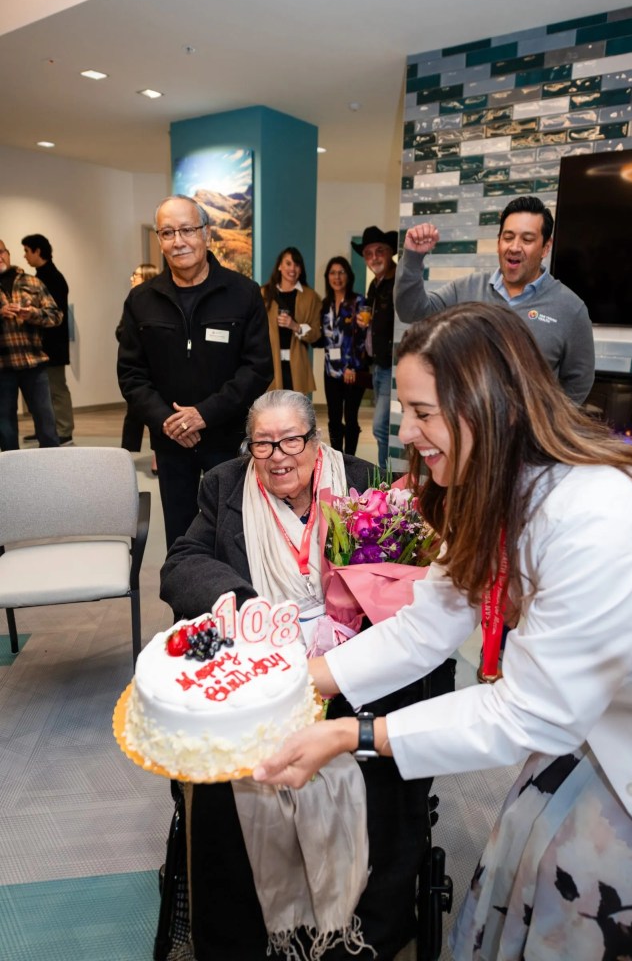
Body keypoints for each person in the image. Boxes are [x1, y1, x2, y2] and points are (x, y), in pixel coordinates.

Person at [255, 305, 632, 960]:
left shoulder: (602, 518)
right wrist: (291, 683)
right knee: (518, 883)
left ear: (491, 404)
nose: (407, 430)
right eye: (406, 409)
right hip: (593, 725)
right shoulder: (496, 488)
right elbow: (423, 628)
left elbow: (533, 711)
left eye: (424, 412)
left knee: (591, 919)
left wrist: (353, 733)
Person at [160, 389, 455, 961]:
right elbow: (181, 563)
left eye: (290, 440)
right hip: (263, 658)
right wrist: (244, 604)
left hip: (358, 660)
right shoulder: (223, 486)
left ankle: (362, 927)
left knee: (377, 766)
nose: (277, 456)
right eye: (263, 443)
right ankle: (245, 934)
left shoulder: (365, 480)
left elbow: (412, 579)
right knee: (226, 775)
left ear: (314, 441)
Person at [117, 194, 273, 549]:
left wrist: (203, 415)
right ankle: (185, 606)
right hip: (171, 443)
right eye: (168, 232)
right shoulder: (141, 300)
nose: (178, 241)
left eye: (187, 229)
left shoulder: (242, 293)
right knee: (182, 535)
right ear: (159, 240)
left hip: (228, 438)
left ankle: (236, 603)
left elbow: (258, 368)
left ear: (205, 233)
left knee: (236, 531)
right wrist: (167, 421)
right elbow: (131, 374)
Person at [395, 195, 595, 404]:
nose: (515, 247)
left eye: (527, 239)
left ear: (545, 247)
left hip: (528, 436)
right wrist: (412, 258)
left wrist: (550, 422)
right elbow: (411, 311)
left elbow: (579, 380)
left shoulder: (570, 308)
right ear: (498, 242)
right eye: (508, 237)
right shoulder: (465, 289)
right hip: (470, 431)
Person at [0, 239, 61, 450]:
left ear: (8, 253)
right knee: (5, 427)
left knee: (46, 424)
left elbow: (56, 316)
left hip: (34, 362)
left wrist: (31, 314)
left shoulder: (32, 282)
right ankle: (11, 475)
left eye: (2, 252)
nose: (0, 257)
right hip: (2, 367)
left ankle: (53, 471)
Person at [21, 234, 75, 445]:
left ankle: (64, 429)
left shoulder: (52, 277)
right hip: (41, 345)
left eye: (27, 251)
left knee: (56, 389)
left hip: (52, 344)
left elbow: (55, 316)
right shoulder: (41, 276)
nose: (25, 256)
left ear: (37, 251)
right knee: (40, 392)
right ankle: (45, 427)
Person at [351, 226, 397, 472]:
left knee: (380, 426)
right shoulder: (375, 286)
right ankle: (387, 475)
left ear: (390, 252)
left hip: (393, 365)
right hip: (378, 365)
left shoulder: (399, 282)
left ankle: (385, 478)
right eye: (368, 254)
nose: (373, 258)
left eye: (379, 251)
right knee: (384, 427)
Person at [320, 255, 371, 455]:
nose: (337, 277)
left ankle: (349, 460)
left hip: (352, 370)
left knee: (350, 417)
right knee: (333, 417)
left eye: (341, 272)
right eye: (333, 273)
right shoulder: (326, 304)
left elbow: (360, 337)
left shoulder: (359, 301)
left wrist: (352, 366)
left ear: (348, 276)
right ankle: (335, 457)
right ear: (328, 277)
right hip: (330, 370)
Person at [262, 247, 322, 394]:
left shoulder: (310, 297)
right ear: (279, 266)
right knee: (273, 410)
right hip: (271, 364)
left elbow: (316, 334)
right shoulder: (263, 293)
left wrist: (295, 326)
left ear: (301, 269)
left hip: (297, 364)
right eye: (288, 264)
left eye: (296, 265)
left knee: (295, 410)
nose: (292, 269)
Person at [116, 264, 159, 471]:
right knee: (134, 413)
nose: (132, 277)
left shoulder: (157, 302)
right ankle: (126, 455)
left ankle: (156, 457)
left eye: (137, 274)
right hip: (140, 369)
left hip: (159, 370)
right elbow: (120, 331)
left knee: (156, 414)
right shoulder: (134, 301)